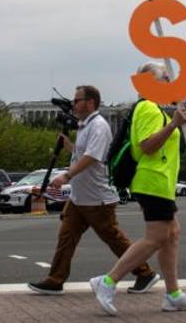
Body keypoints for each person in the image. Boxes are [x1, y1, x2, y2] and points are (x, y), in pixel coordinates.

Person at [90, 62, 186, 316]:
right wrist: (173, 125)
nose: (168, 83)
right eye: (164, 79)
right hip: (152, 180)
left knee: (172, 233)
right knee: (157, 237)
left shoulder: (150, 109)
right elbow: (147, 146)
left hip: (159, 182)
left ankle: (173, 294)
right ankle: (107, 281)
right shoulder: (149, 109)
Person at [28, 85, 160, 296]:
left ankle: (145, 273)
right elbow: (84, 154)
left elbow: (92, 158)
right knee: (66, 237)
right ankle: (55, 280)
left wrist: (66, 175)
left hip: (97, 198)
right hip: (81, 197)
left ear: (90, 103)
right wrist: (70, 146)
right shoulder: (85, 126)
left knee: (114, 239)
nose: (74, 104)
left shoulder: (98, 126)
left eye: (77, 100)